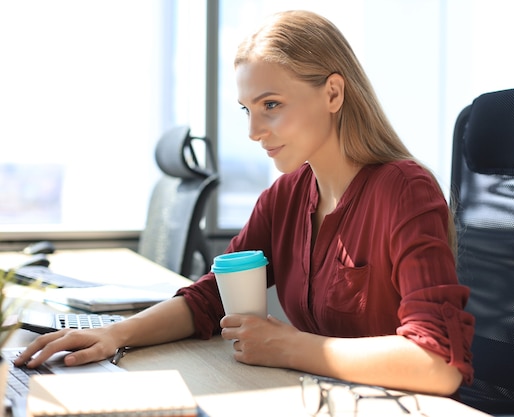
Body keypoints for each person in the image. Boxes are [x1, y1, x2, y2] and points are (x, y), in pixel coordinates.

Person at [15, 10, 474, 396]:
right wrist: (113, 335)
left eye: (271, 105)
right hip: (322, 396)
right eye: (246, 110)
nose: (254, 132)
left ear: (333, 93)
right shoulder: (287, 195)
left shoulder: (403, 190)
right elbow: (211, 296)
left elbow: (437, 363)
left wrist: (289, 346)